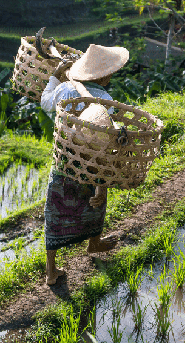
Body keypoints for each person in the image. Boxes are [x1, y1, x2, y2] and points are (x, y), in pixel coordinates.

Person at [40, 44, 129, 285]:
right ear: (106, 76)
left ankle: (51, 270)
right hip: (92, 163)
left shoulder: (64, 89)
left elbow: (45, 103)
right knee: (96, 201)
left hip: (65, 160)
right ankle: (94, 242)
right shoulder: (107, 101)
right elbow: (108, 141)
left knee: (56, 210)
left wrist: (54, 77)